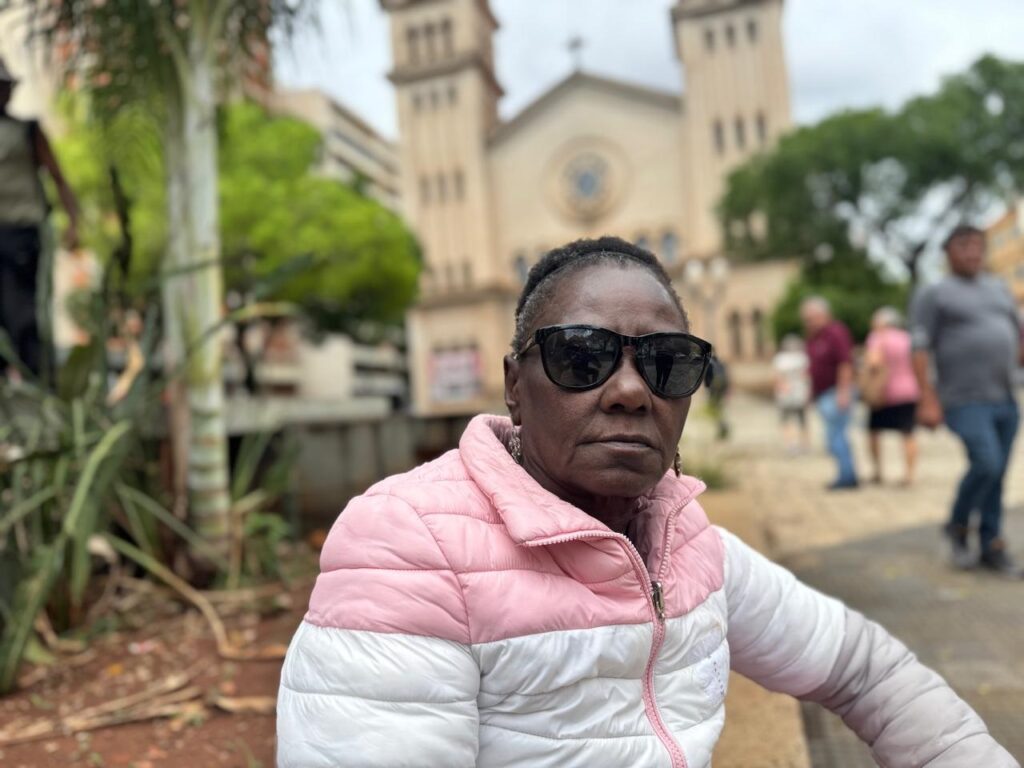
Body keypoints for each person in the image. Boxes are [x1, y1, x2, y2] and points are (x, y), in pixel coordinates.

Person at [277, 237, 1015, 767]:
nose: (630, 391)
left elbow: (864, 671)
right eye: (581, 357)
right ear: (514, 383)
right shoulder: (408, 549)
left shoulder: (682, 543)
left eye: (668, 363)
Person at [910, 225, 1023, 575]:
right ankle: (958, 525)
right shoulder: (934, 293)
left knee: (998, 473)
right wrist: (927, 398)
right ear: (947, 252)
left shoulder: (997, 289)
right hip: (962, 399)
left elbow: (1016, 332)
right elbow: (919, 346)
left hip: (1004, 395)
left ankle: (991, 544)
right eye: (964, 246)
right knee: (986, 462)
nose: (973, 252)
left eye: (978, 245)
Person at [0, 56, 80, 378]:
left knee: (22, 316)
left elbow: (58, 178)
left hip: (21, 234)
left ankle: (40, 390)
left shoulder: (28, 130)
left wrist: (74, 222)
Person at [800, 296, 858, 489]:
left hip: (836, 392)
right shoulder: (813, 337)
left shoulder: (835, 332)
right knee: (835, 436)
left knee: (835, 437)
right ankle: (847, 474)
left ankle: (847, 477)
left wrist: (843, 391)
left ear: (824, 315)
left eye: (811, 318)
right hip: (824, 394)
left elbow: (845, 363)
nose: (809, 322)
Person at [863, 306, 920, 486]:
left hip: (884, 392)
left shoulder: (878, 338)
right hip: (909, 390)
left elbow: (874, 363)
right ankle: (909, 474)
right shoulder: (907, 339)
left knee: (874, 432)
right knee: (908, 433)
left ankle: (878, 471)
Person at [771, 333, 810, 454]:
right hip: (799, 392)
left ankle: (791, 444)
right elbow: (806, 376)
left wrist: (781, 387)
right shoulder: (802, 358)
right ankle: (804, 444)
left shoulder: (780, 359)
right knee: (801, 420)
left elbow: (776, 377)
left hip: (786, 394)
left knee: (787, 421)